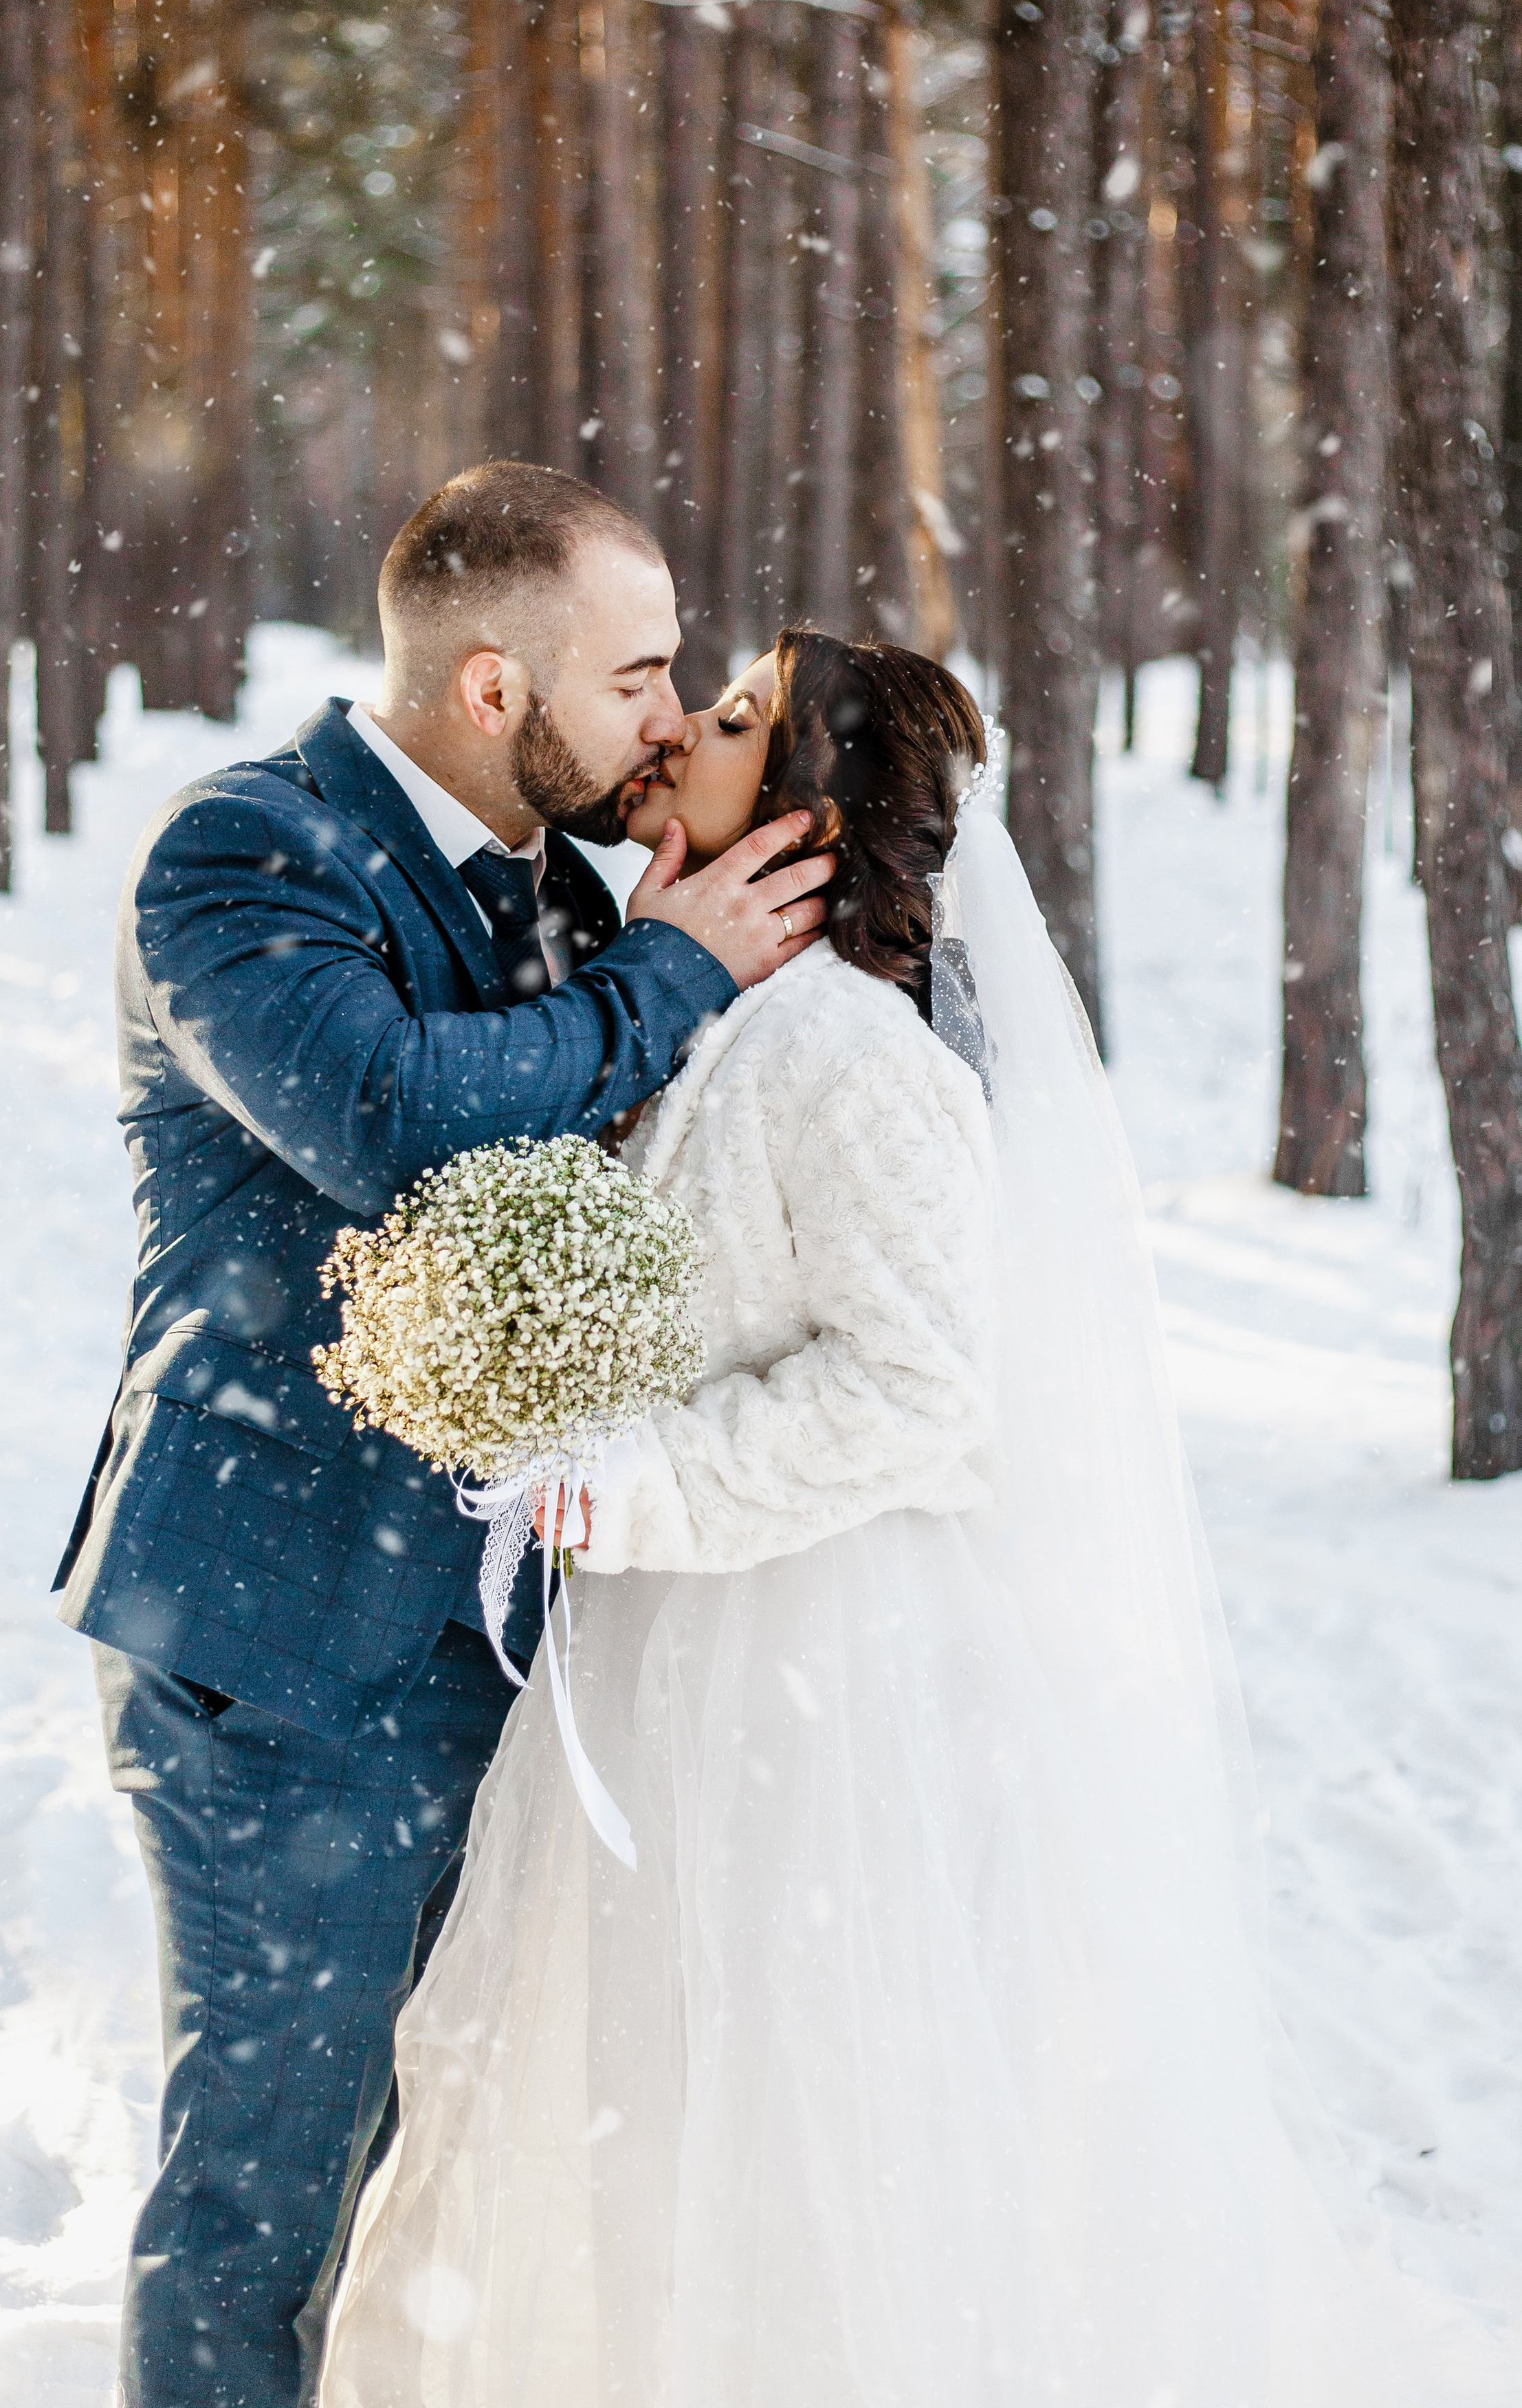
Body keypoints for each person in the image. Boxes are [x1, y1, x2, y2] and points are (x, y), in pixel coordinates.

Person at [320, 631, 1513, 2407]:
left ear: (810, 811)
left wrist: (642, 1477)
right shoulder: (717, 1010)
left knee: (805, 2112)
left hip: (814, 1682)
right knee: (647, 2092)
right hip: (673, 1658)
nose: (683, 728)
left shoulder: (853, 1054)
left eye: (737, 716)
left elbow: (921, 1389)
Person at [52, 463, 835, 2408]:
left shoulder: (568, 896)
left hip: (503, 1638)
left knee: (433, 2188)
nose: (668, 716)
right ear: (495, 687)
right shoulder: (246, 853)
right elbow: (393, 1114)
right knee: (264, 2199)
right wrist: (676, 970)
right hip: (279, 1648)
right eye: (637, 675)